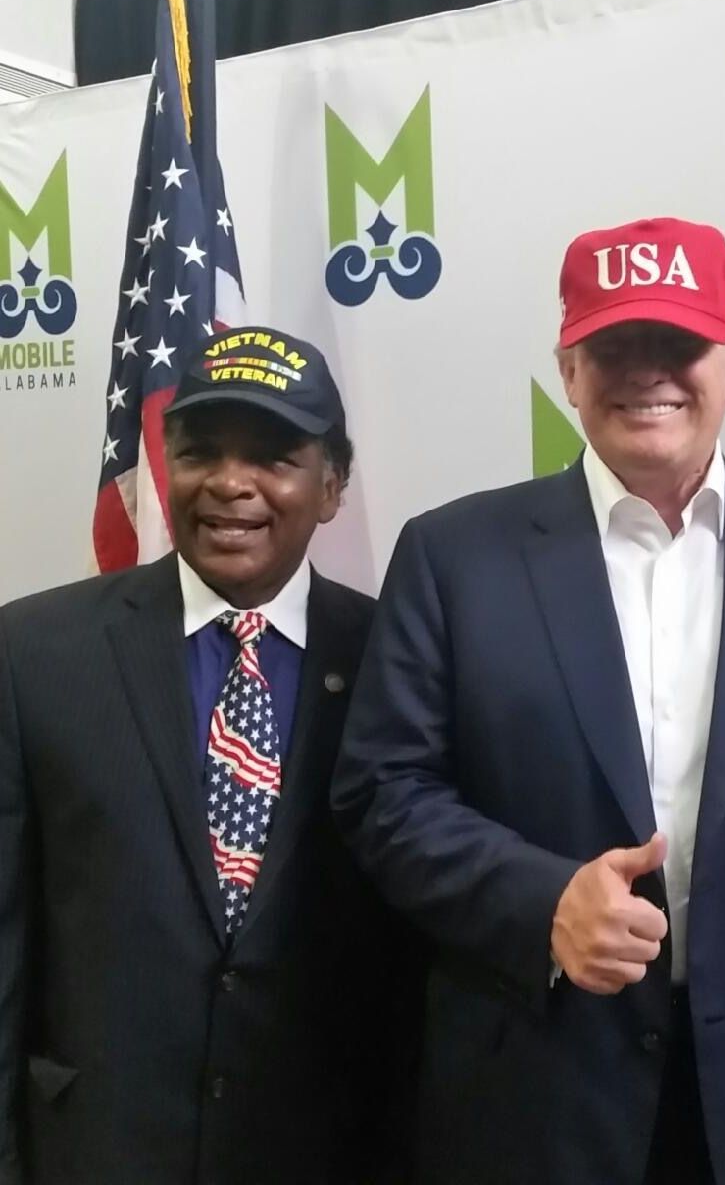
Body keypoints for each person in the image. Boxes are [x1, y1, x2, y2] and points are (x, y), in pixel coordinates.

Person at [333, 218, 725, 1184]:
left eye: (679, 344)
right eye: (614, 346)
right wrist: (543, 901)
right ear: (568, 372)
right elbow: (384, 795)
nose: (648, 374)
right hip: (536, 1100)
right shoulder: (452, 558)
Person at [0, 326, 414, 1185]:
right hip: (97, 1153)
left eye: (272, 456)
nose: (230, 482)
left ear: (332, 485)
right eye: (199, 452)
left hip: (325, 1152)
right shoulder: (33, 653)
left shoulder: (399, 660)